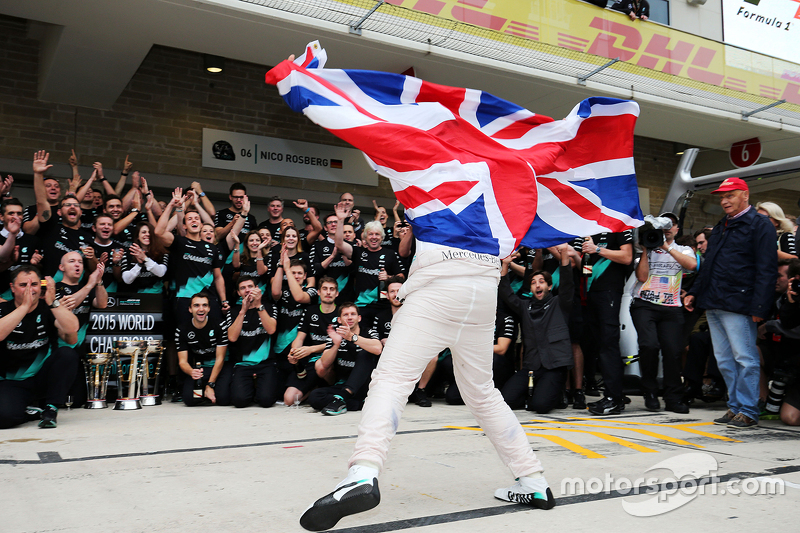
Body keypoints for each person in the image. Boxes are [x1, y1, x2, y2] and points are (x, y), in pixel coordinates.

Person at [685, 177, 777, 429]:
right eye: (722, 197)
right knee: (724, 360)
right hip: (714, 301)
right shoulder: (723, 224)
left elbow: (767, 269)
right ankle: (735, 407)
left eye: (730, 195)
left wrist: (760, 308)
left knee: (744, 358)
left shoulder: (760, 225)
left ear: (745, 195)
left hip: (740, 302)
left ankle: (748, 410)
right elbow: (710, 263)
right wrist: (695, 291)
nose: (724, 200)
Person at [499, 244, 579, 413]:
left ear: (549, 287)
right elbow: (506, 293)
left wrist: (564, 253)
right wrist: (505, 265)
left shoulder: (560, 303)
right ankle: (535, 393)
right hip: (532, 366)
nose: (537, 285)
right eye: (534, 282)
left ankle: (555, 394)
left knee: (540, 407)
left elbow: (566, 280)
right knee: (505, 401)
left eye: (541, 282)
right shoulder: (524, 306)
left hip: (554, 366)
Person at [630, 212, 696, 413]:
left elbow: (692, 266)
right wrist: (645, 249)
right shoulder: (647, 248)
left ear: (677, 229)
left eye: (672, 224)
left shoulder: (683, 249)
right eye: (664, 225)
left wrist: (666, 247)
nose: (668, 227)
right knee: (649, 345)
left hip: (671, 307)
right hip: (644, 304)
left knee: (673, 351)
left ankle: (673, 398)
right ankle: (649, 392)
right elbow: (641, 277)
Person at [0, 266, 80, 429]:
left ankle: (51, 408)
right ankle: (31, 411)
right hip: (11, 382)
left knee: (67, 354)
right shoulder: (3, 309)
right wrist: (24, 307)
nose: (30, 289)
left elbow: (72, 332)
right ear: (12, 288)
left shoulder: (49, 308)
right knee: (5, 418)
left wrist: (53, 303)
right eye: (23, 285)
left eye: (35, 284)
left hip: (42, 378)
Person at [581, 230, 634, 415]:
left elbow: (627, 256)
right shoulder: (590, 226)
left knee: (608, 343)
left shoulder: (618, 223)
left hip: (609, 291)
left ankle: (614, 399)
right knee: (599, 345)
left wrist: (596, 249)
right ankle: (613, 394)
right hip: (590, 291)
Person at [308, 303, 383, 415]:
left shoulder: (369, 332)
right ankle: (356, 404)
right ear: (339, 320)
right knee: (314, 397)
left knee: (365, 353)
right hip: (343, 385)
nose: (350, 317)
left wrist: (352, 337)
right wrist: (336, 345)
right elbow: (324, 363)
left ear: (359, 318)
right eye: (346, 315)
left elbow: (378, 349)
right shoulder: (336, 336)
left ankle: (342, 398)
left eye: (353, 314)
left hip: (365, 386)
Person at [285, 276, 340, 406]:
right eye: (325, 289)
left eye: (332, 289)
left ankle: (328, 385)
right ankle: (314, 388)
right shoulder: (310, 311)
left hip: (333, 360)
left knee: (321, 366)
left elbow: (339, 342)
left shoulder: (342, 313)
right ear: (319, 292)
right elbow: (300, 337)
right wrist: (294, 352)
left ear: (337, 293)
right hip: (311, 360)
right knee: (289, 399)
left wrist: (311, 349)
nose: (328, 292)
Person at [228, 276, 279, 408]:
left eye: (250, 286)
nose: (247, 290)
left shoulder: (269, 307)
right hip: (242, 364)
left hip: (265, 364)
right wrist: (243, 311)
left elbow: (271, 329)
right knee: (239, 401)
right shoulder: (233, 311)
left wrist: (258, 306)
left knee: (266, 401)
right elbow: (232, 337)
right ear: (238, 293)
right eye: (243, 288)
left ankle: (259, 388)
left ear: (257, 289)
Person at [175, 292, 232, 406]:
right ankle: (207, 393)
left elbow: (220, 358)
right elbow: (182, 362)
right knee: (189, 400)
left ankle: (211, 390)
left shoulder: (220, 325)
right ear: (190, 309)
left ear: (209, 308)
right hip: (201, 369)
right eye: (196, 305)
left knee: (223, 399)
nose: (201, 309)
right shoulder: (181, 330)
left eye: (204, 305)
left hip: (221, 367)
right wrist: (191, 371)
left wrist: (210, 384)